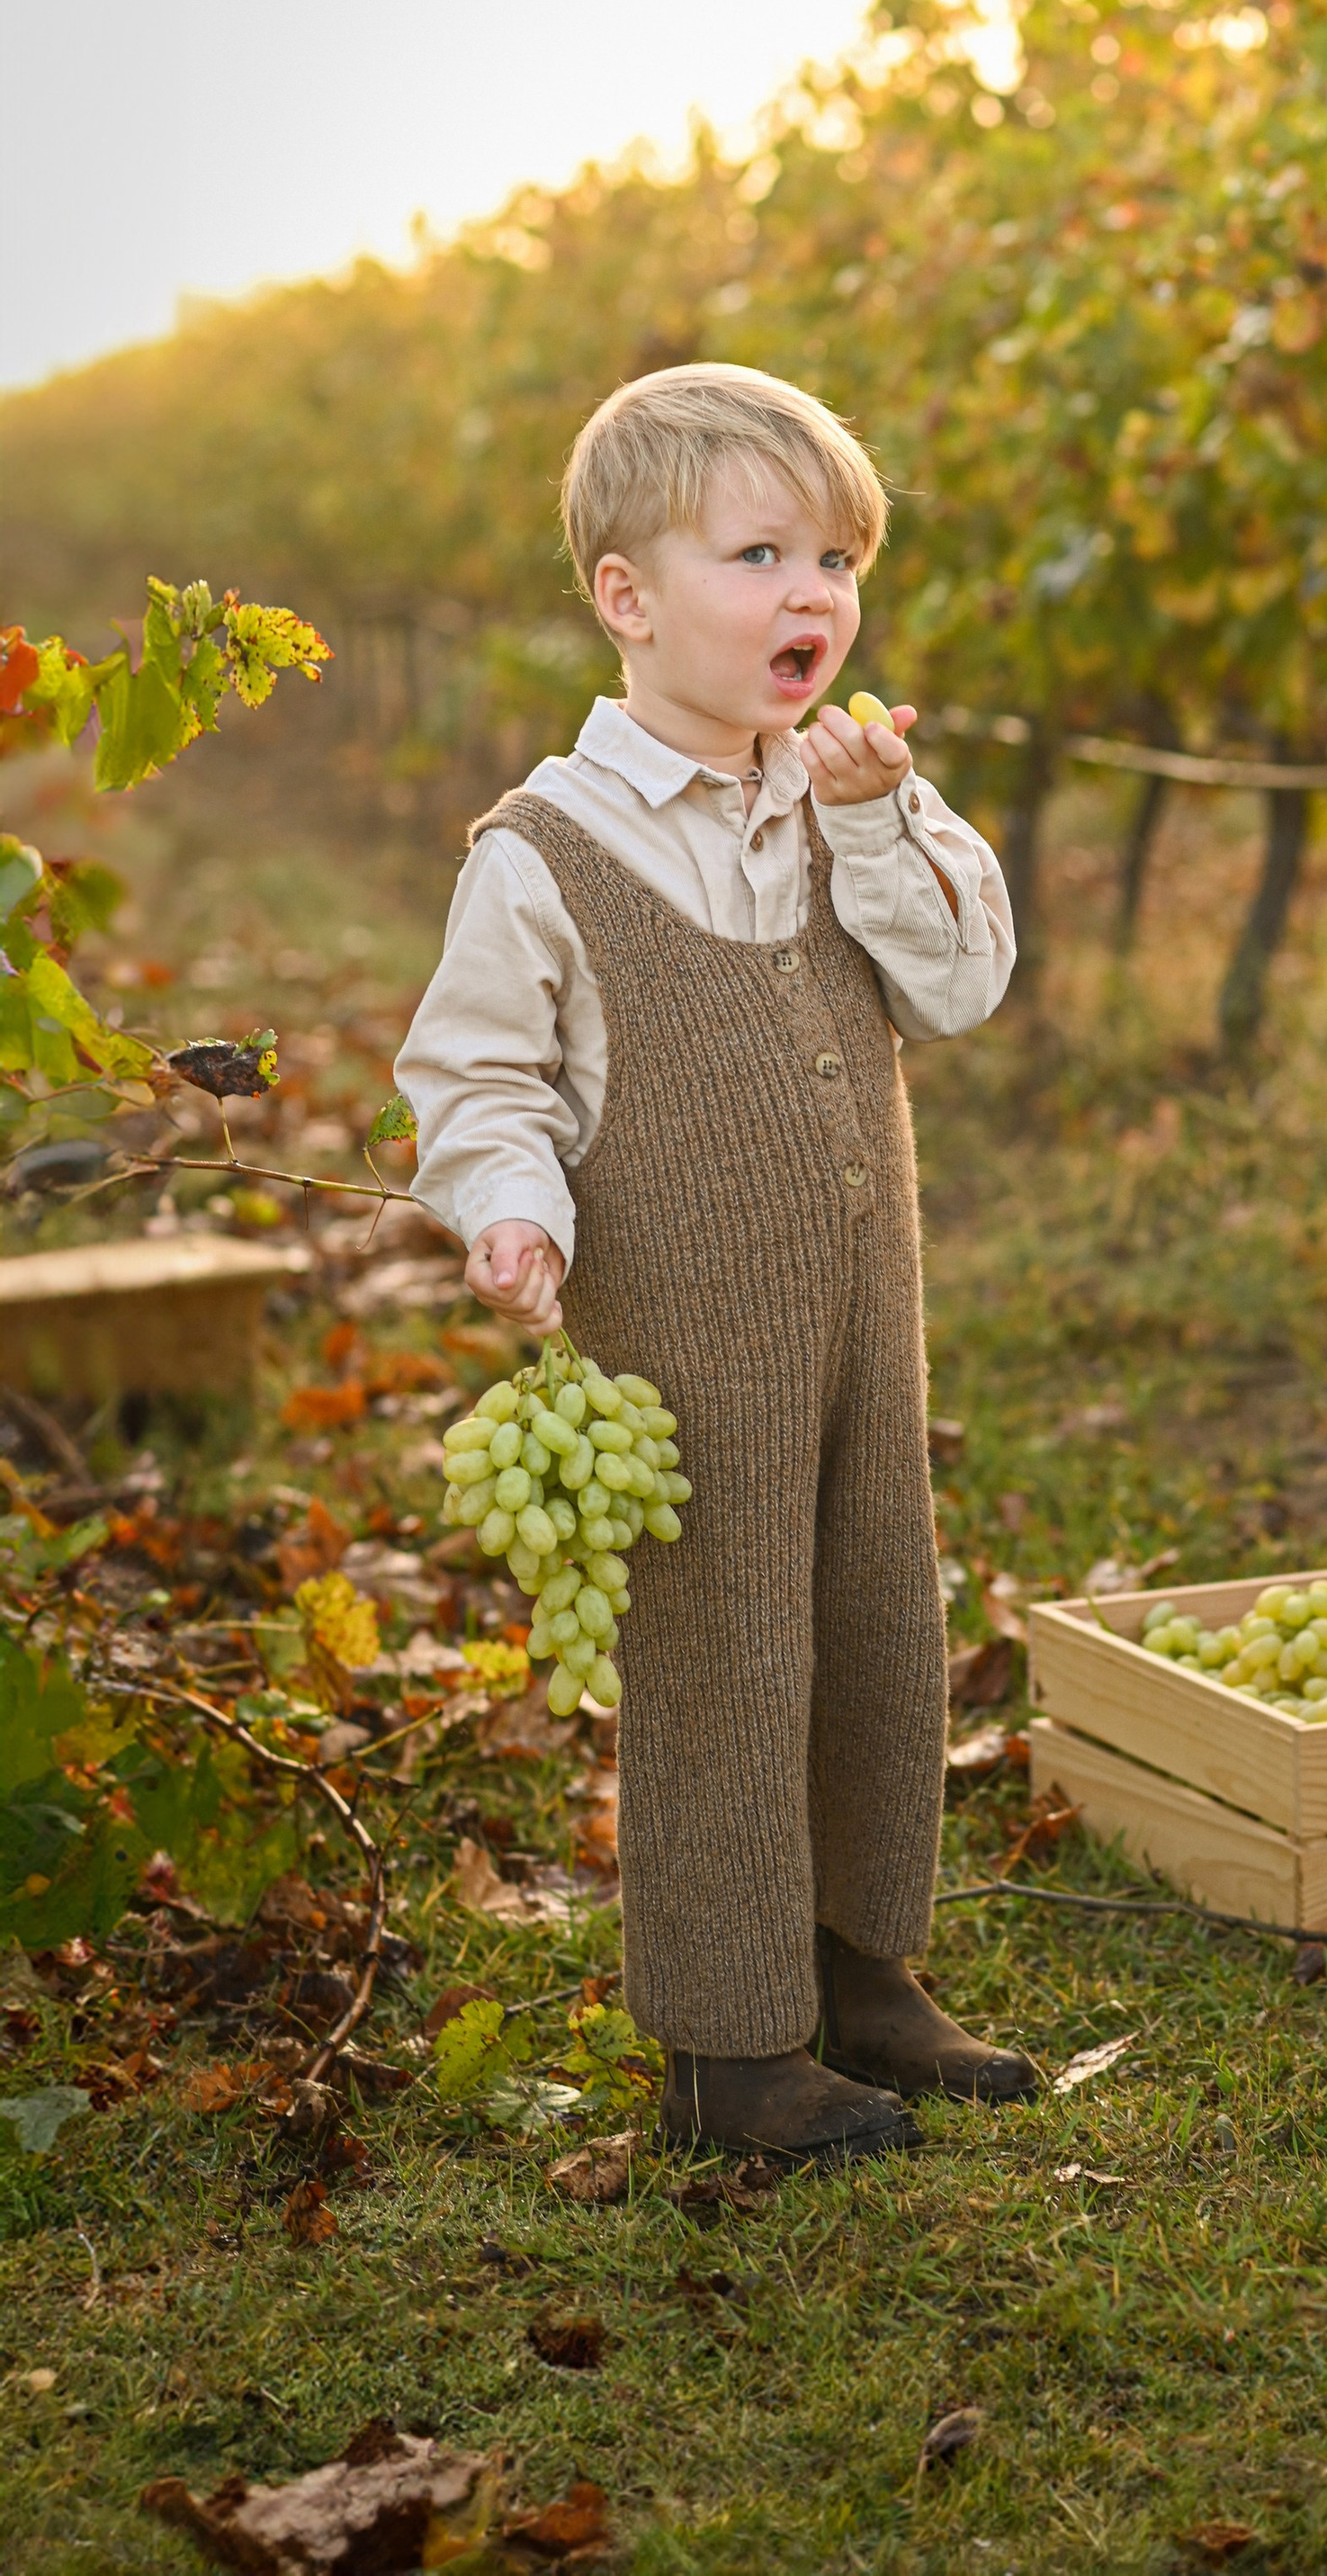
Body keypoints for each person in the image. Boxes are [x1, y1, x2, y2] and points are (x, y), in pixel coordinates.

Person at [399, 360, 1036, 2168]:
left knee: (871, 1617)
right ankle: (725, 2041)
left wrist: (875, 814)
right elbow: (478, 1066)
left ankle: (860, 1967)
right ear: (628, 597)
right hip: (683, 1345)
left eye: (835, 555)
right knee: (727, 1653)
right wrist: (506, 1201)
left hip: (864, 1320)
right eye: (757, 552)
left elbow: (961, 982)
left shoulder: (839, 799)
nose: (812, 595)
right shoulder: (551, 851)